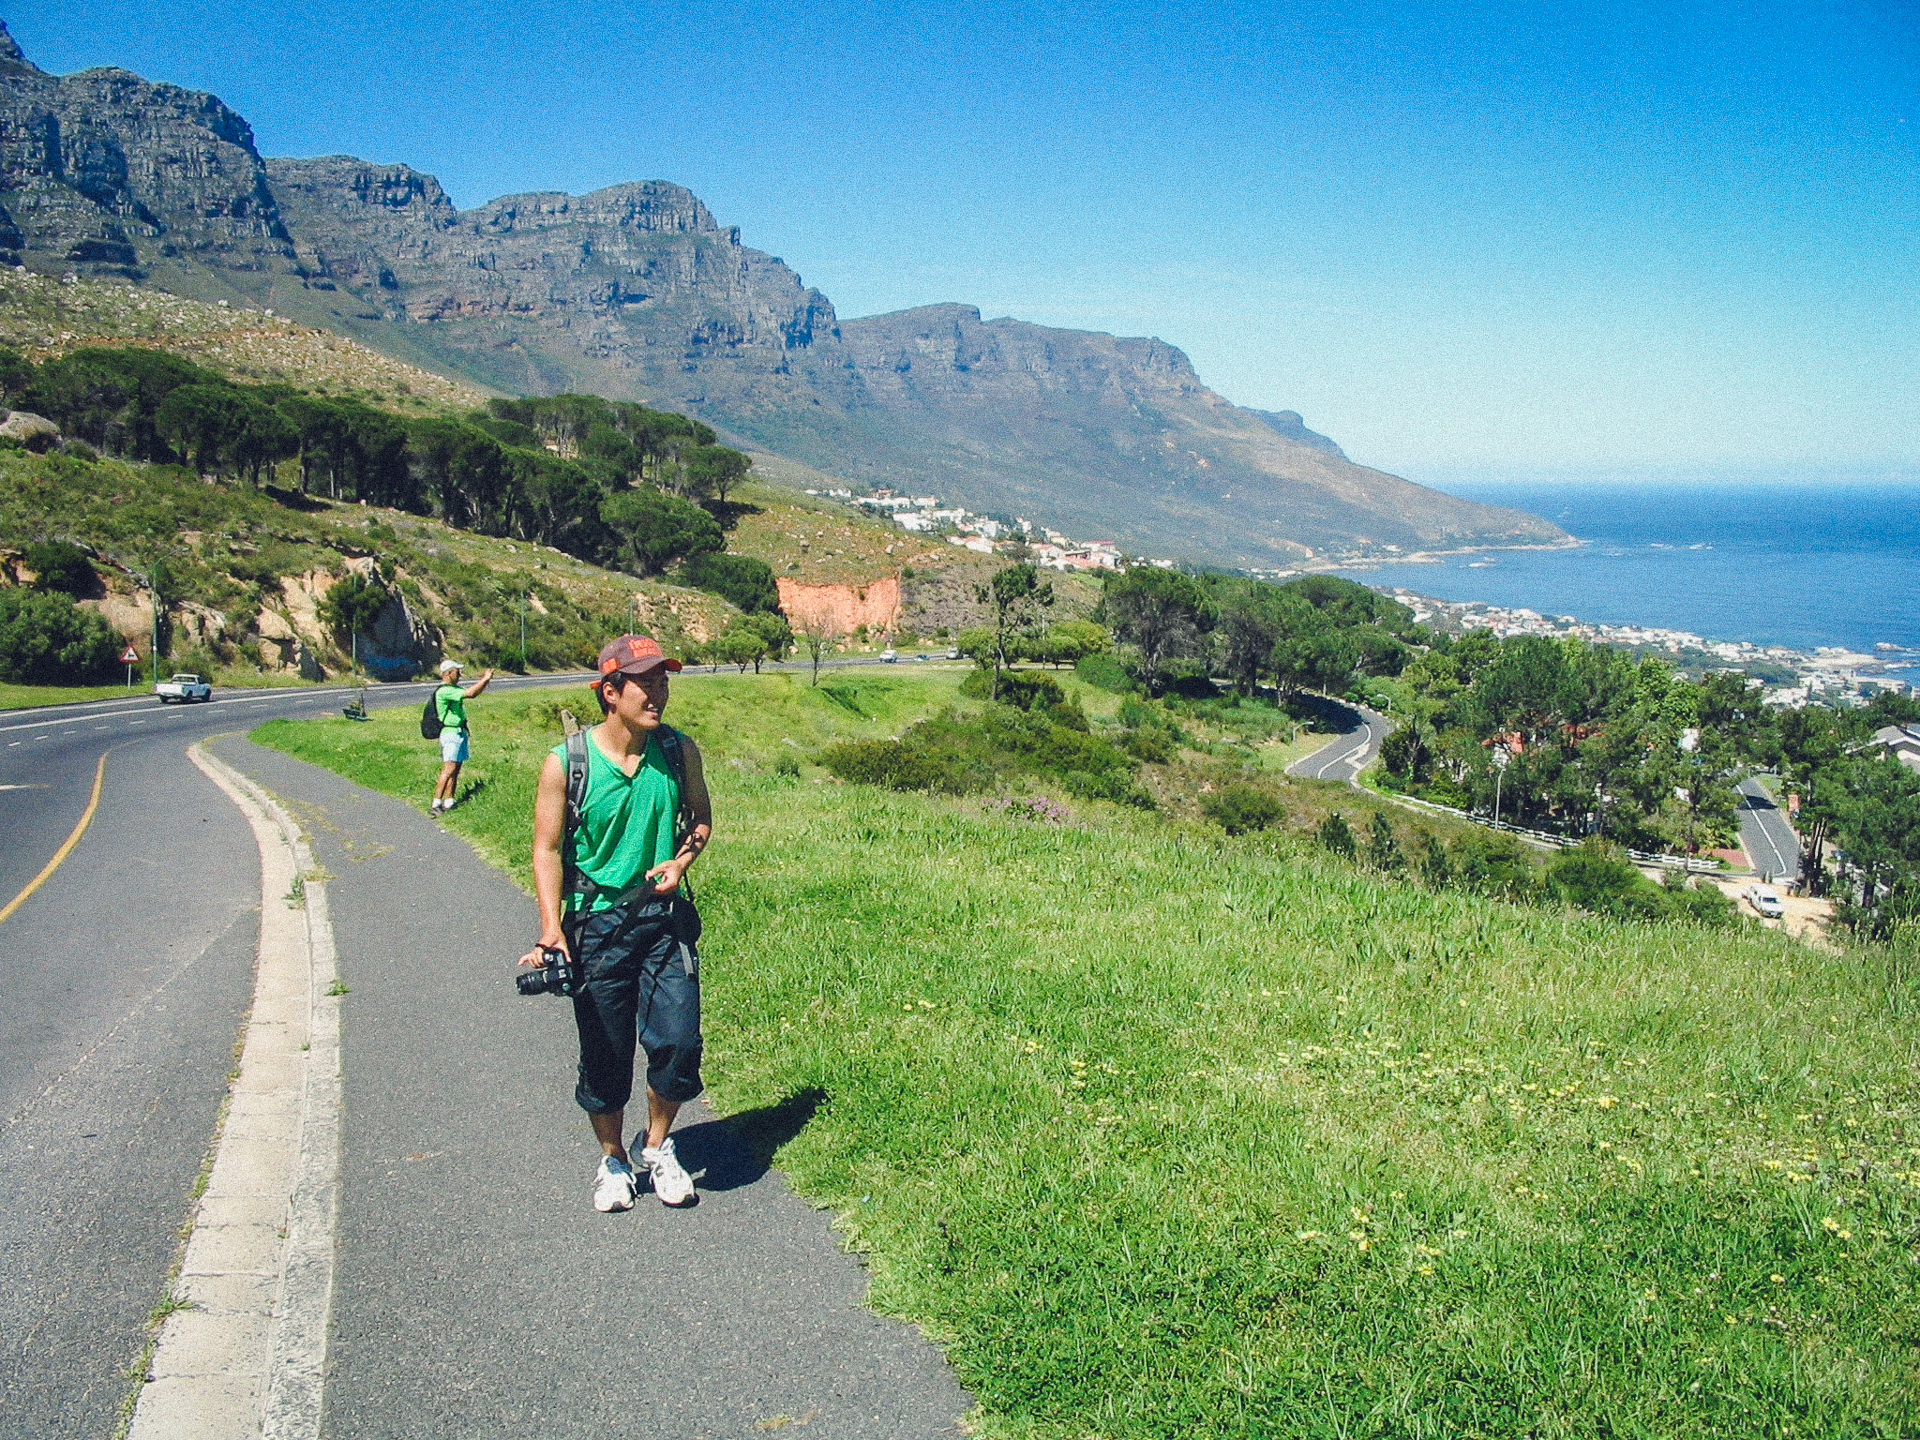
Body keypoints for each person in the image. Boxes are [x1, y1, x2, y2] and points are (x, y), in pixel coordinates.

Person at [520, 634, 712, 1212]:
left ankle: (655, 1146)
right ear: (610, 691)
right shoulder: (567, 763)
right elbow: (546, 849)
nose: (658, 693)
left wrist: (681, 862)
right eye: (645, 683)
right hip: (596, 929)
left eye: (663, 681)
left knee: (678, 1044)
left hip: (663, 921)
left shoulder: (678, 750)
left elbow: (700, 820)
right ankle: (612, 1161)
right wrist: (551, 927)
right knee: (606, 1056)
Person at [430, 658, 493, 814]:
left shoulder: (453, 689)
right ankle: (436, 803)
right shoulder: (445, 691)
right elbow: (470, 693)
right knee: (448, 769)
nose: (460, 675)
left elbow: (473, 692)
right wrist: (485, 679)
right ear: (449, 673)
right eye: (457, 672)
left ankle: (449, 801)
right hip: (450, 733)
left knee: (455, 770)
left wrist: (484, 682)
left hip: (458, 733)